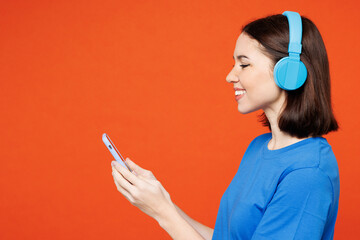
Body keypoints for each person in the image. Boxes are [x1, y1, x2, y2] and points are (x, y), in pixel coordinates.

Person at [111, 11, 340, 240]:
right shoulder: (259, 147)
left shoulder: (308, 172)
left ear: (289, 73)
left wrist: (163, 213)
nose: (230, 76)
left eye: (244, 64)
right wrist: (160, 201)